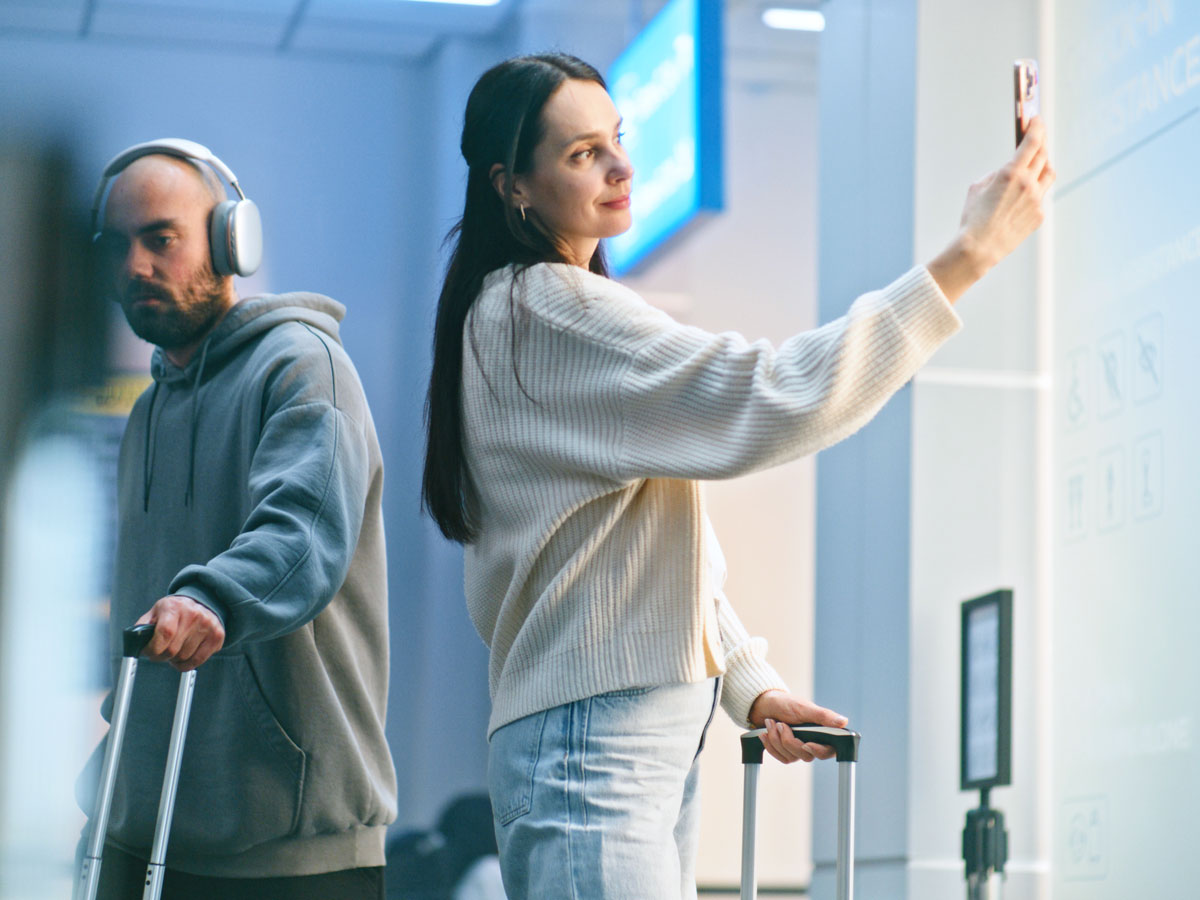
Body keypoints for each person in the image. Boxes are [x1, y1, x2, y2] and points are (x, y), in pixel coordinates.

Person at [421, 52, 1053, 899]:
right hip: (593, 743)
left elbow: (640, 546)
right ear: (514, 186)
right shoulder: (545, 307)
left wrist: (750, 684)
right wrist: (967, 257)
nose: (620, 167)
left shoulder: (522, 308)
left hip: (616, 735)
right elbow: (775, 395)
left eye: (617, 140)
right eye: (581, 154)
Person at [81, 140, 396, 899]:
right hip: (141, 819)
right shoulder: (149, 410)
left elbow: (301, 537)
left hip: (287, 839)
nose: (136, 266)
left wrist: (210, 599)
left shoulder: (303, 368)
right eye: (119, 246)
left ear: (232, 241)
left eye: (161, 238)